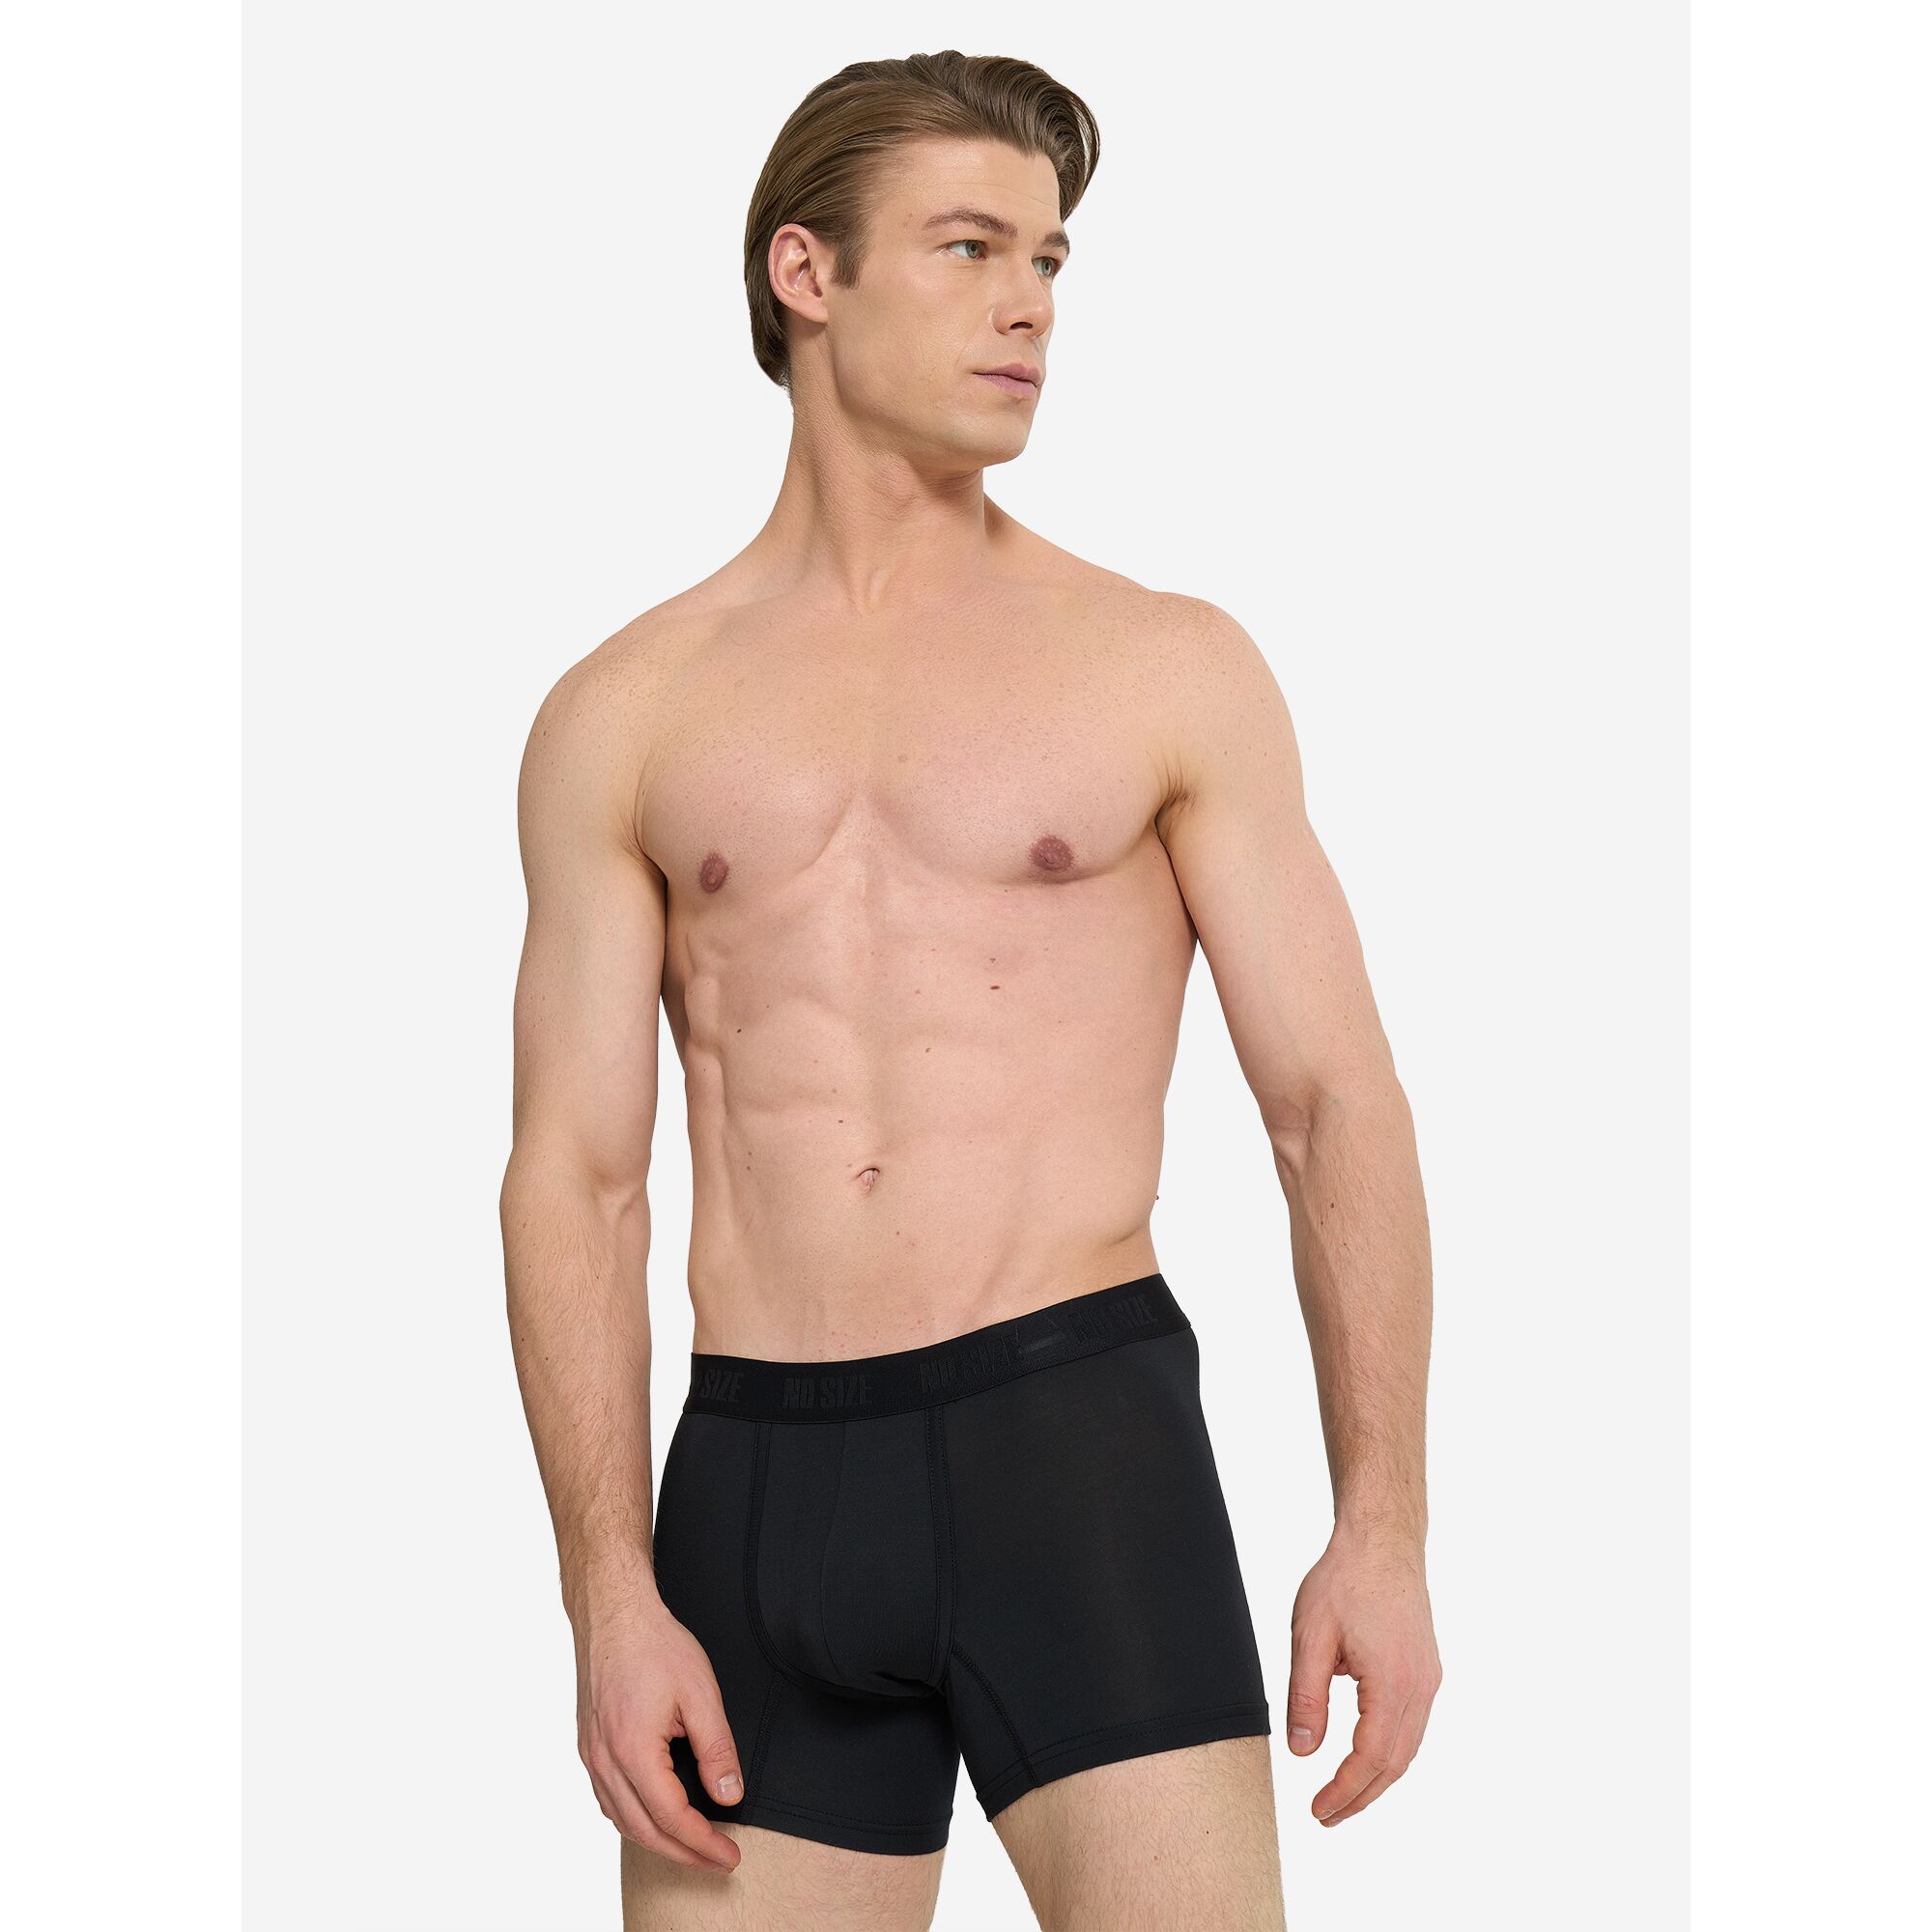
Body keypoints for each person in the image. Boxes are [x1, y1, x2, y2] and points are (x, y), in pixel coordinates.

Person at [501, 49, 1440, 1932]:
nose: (1030, 304)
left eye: (1049, 258)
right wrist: (607, 1591)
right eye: (968, 247)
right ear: (807, 273)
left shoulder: (1161, 666)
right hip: (754, 1487)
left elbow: (1329, 1105)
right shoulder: (626, 711)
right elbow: (576, 1177)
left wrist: (1383, 1522)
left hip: (1075, 1458)